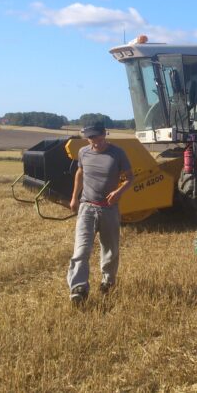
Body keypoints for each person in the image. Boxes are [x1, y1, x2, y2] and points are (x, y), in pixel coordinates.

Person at [67, 123, 133, 306]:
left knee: (110, 250)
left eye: (97, 136)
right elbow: (80, 173)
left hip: (109, 209)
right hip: (87, 207)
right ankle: (79, 288)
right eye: (90, 138)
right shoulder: (83, 152)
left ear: (105, 134)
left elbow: (130, 177)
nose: (94, 141)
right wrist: (74, 197)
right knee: (81, 249)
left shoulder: (117, 153)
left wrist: (119, 192)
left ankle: (108, 281)